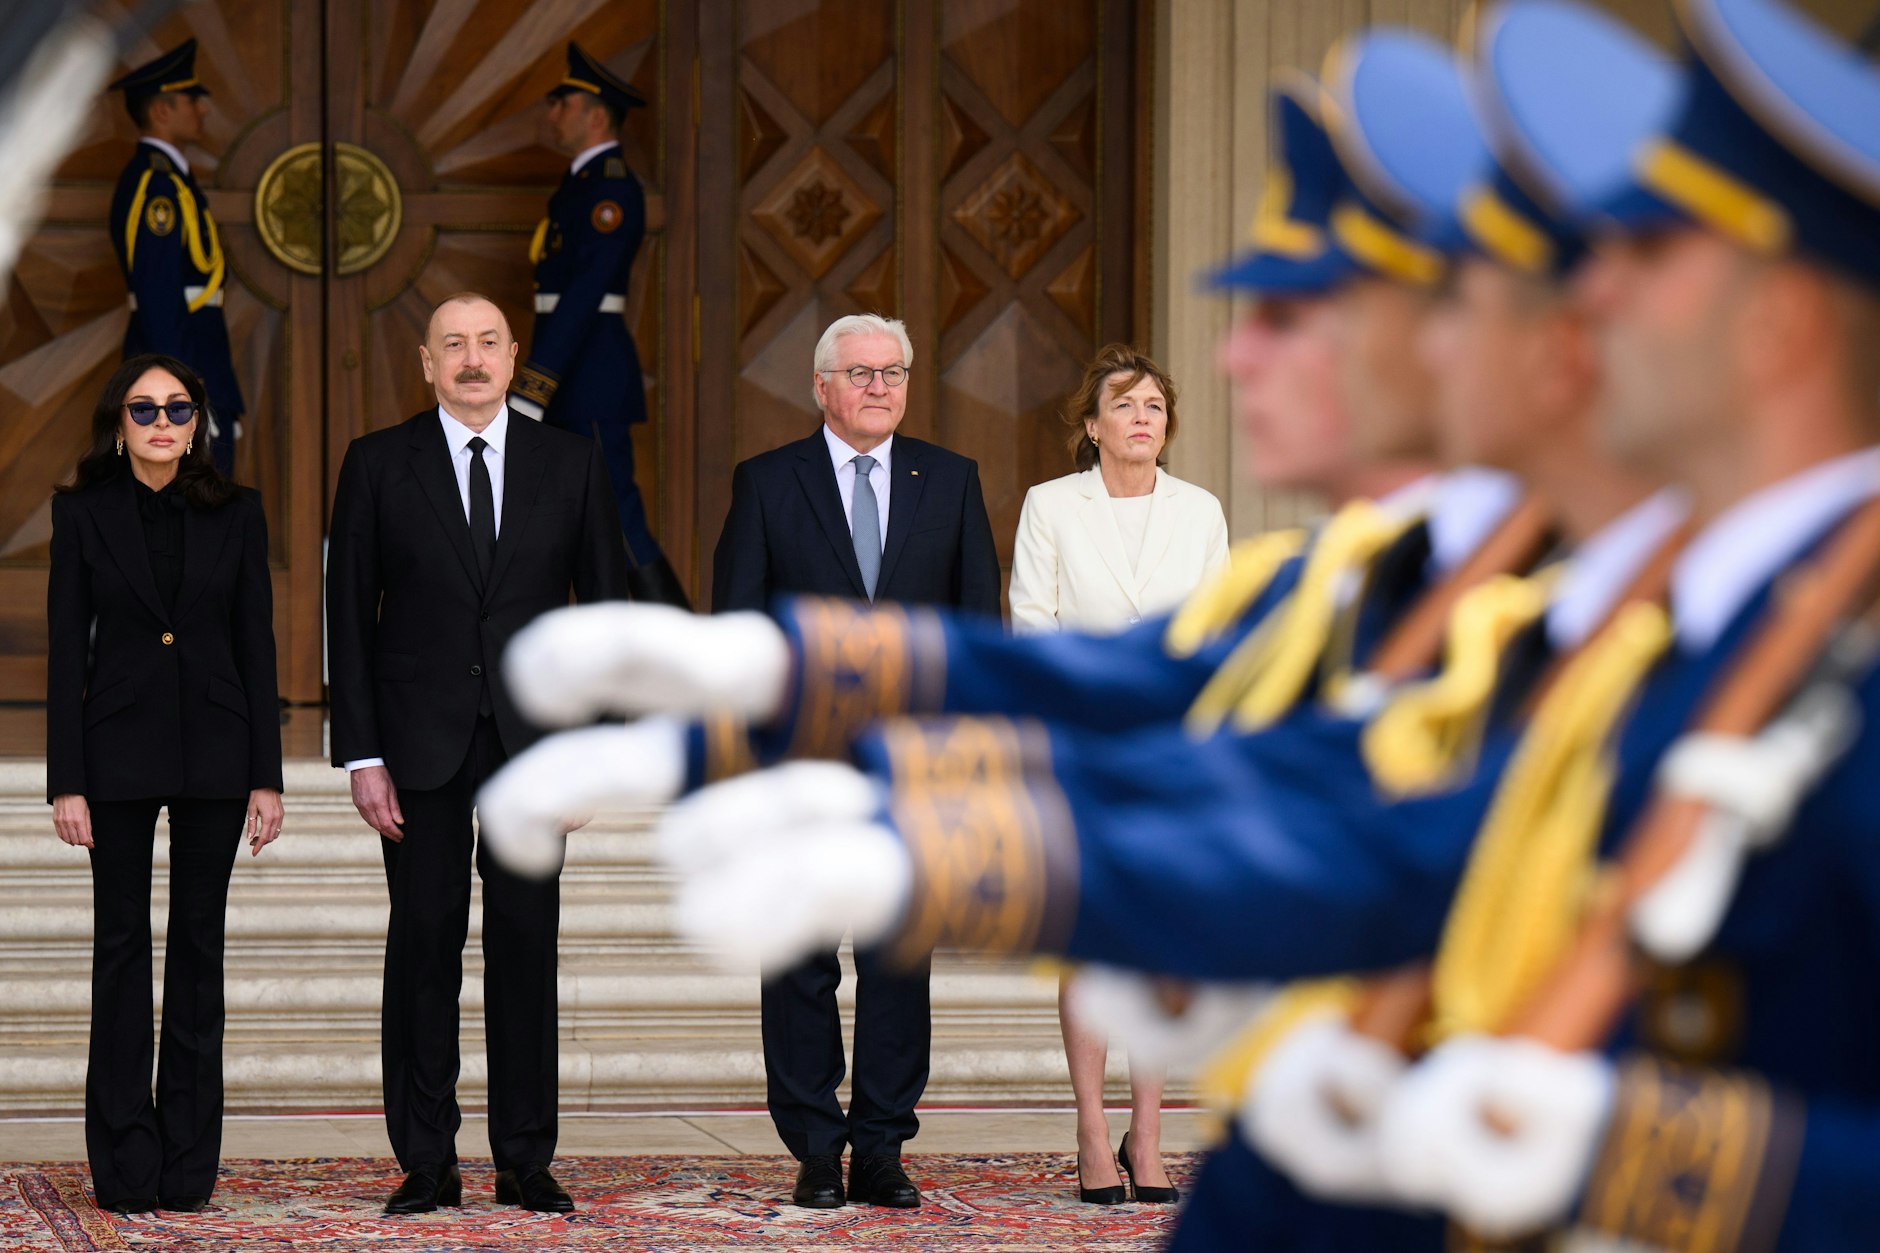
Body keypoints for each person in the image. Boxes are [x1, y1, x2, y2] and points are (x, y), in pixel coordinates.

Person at [325, 292, 629, 1216]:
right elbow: (347, 613)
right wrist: (360, 754)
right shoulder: (379, 463)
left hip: (533, 746)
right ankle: (427, 1159)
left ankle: (525, 1158)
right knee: (423, 947)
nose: (470, 358)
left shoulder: (571, 461)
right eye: (452, 344)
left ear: (512, 355)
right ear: (425, 362)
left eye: (487, 343)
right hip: (416, 748)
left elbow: (608, 611)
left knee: (527, 948)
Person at [710, 312, 998, 1211]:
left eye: (894, 372)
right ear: (822, 386)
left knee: (898, 960)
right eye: (861, 372)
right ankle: (814, 1144)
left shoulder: (951, 483)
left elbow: (978, 634)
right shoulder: (765, 484)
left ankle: (880, 1146)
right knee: (799, 958)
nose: (880, 387)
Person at [46, 353, 283, 1215]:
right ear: (120, 420)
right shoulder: (81, 512)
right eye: (144, 408)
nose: (161, 422)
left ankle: (186, 1164)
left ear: (197, 423)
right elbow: (68, 647)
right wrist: (64, 780)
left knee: (198, 954)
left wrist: (268, 775)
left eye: (177, 408)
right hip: (112, 755)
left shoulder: (239, 512)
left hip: (218, 754)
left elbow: (256, 644)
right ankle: (124, 1163)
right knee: (121, 953)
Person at [1006, 344, 1224, 1202]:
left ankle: (1152, 1134)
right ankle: (1094, 1132)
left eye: (1155, 408)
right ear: (1090, 425)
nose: (1142, 418)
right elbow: (1034, 626)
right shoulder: (1049, 506)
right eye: (1124, 405)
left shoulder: (1201, 511)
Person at [512, 42, 687, 607]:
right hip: (574, 377)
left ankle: (686, 655)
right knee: (582, 529)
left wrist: (533, 386)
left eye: (563, 101)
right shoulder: (581, 186)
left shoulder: (609, 189)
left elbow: (584, 296)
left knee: (616, 521)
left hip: (585, 379)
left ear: (595, 114)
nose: (553, 111)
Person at [106, 41, 244, 475]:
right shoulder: (157, 187)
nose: (203, 109)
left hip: (196, 358)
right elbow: (158, 291)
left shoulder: (172, 180)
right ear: (162, 111)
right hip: (179, 366)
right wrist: (180, 390)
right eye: (192, 99)